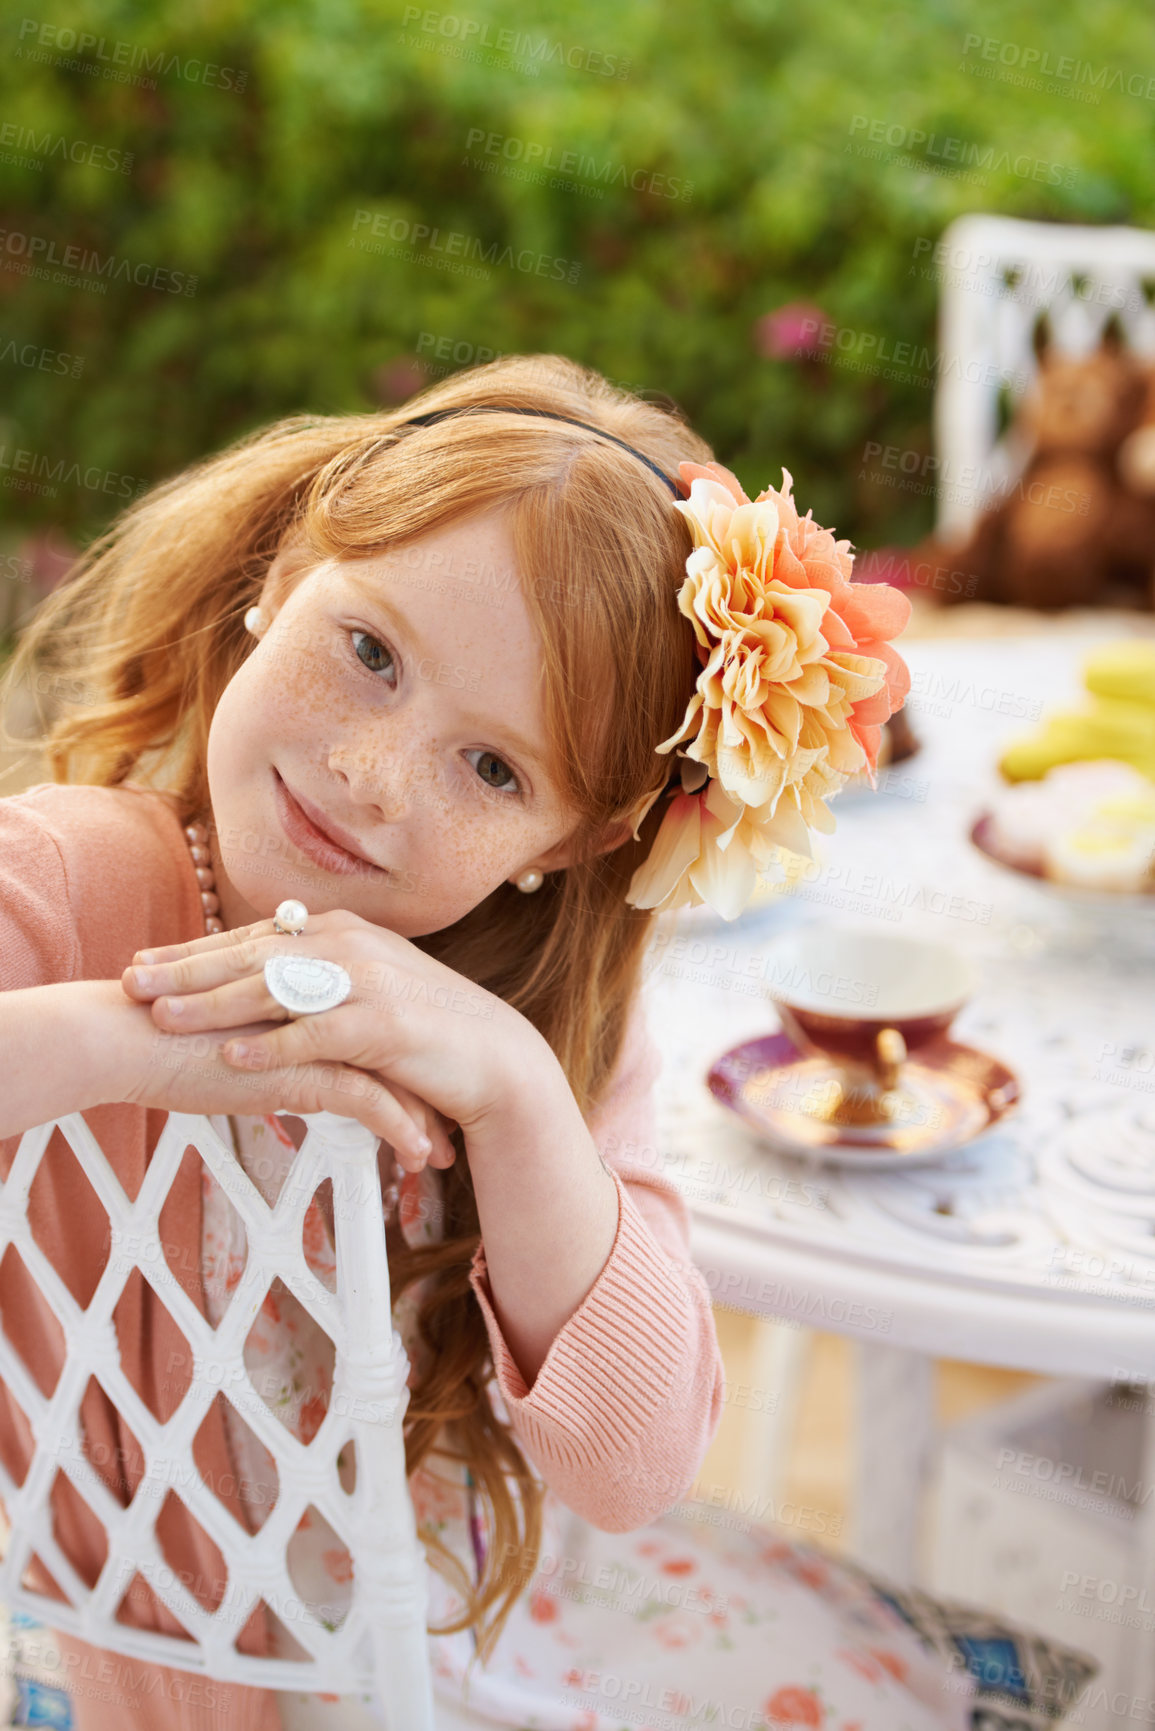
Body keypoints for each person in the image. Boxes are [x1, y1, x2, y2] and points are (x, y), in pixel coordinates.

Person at [0, 356, 1093, 1731]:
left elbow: (630, 1468)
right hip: (192, 1685)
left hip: (489, 1617)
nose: (372, 776)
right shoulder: (73, 878)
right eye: (373, 652)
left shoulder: (529, 1016)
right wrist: (140, 1041)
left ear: (572, 843)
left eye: (495, 768)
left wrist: (519, 1094)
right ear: (280, 568)